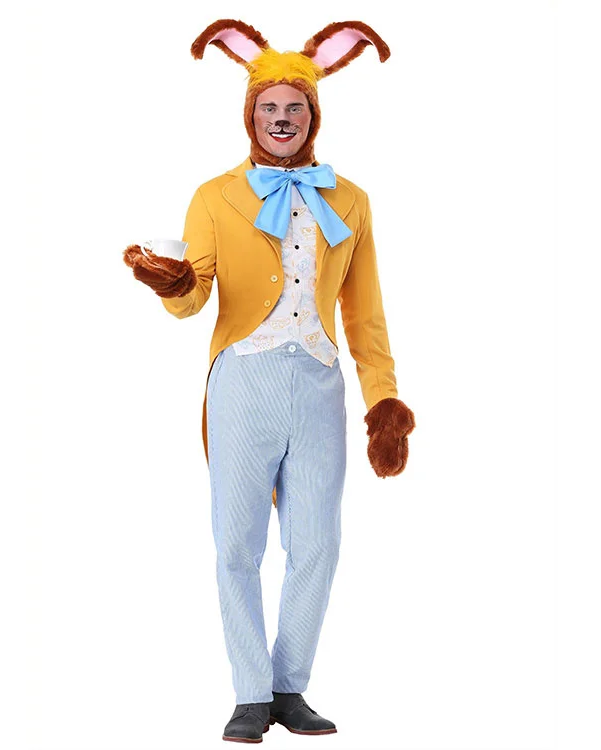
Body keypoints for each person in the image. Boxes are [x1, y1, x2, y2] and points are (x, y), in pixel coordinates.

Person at [123, 19, 415, 744]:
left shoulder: (351, 199)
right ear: (250, 115)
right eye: (268, 108)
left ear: (314, 115)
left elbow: (365, 312)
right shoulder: (215, 196)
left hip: (318, 382)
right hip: (244, 380)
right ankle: (250, 693)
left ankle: (289, 686)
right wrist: (173, 281)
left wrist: (382, 398)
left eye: (295, 108)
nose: (281, 119)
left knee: (318, 544)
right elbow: (196, 298)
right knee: (236, 543)